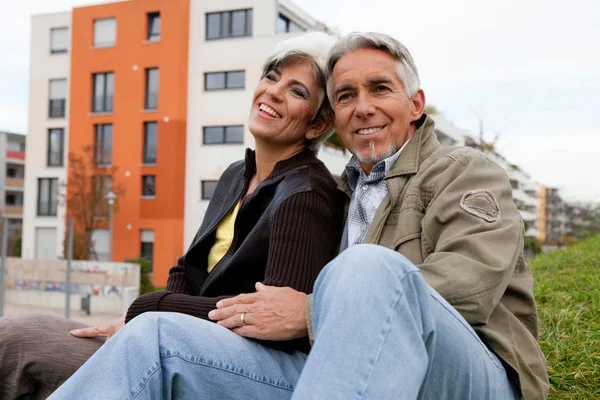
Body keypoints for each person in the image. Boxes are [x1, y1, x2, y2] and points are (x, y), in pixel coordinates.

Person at [49, 32, 549, 400]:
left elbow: (470, 285)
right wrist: (152, 311)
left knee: (367, 267)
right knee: (152, 337)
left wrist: (310, 312)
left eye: (380, 89)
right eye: (346, 95)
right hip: (334, 372)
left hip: (467, 377)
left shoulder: (462, 170)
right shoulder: (339, 194)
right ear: (334, 120)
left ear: (415, 104)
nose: (363, 107)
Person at [0, 31, 345, 400]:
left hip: (240, 364)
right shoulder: (235, 175)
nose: (273, 92)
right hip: (178, 339)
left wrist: (149, 310)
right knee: (19, 338)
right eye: (272, 76)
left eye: (297, 91)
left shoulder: (305, 194)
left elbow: (270, 322)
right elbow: (187, 270)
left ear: (317, 124)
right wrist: (143, 321)